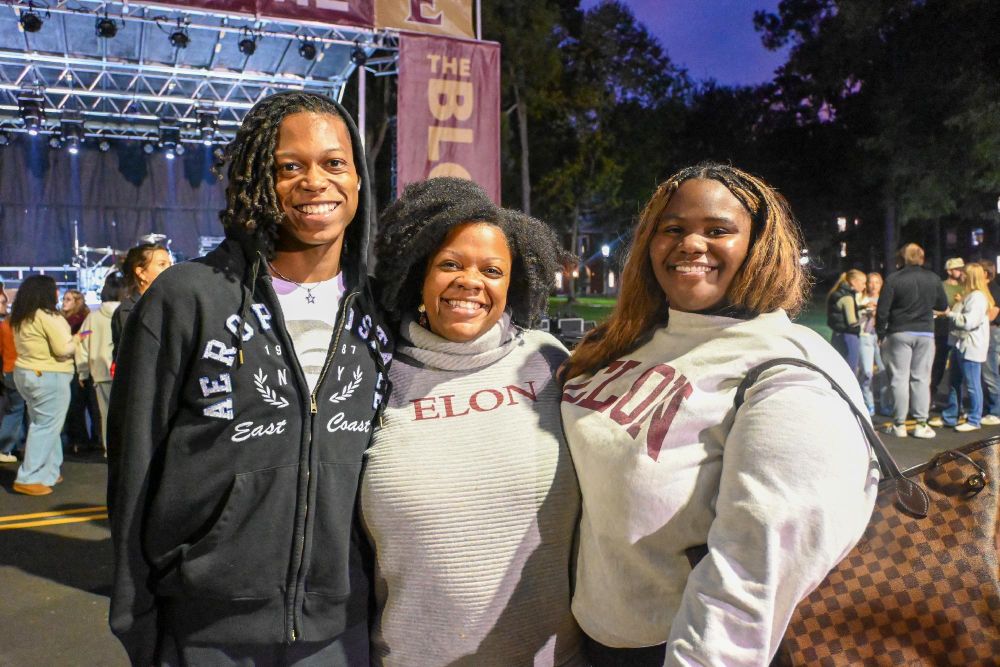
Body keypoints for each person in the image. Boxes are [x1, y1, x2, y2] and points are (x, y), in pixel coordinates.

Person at [107, 91, 391, 666]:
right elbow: (134, 471)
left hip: (341, 631)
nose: (316, 181)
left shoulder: (383, 310)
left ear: (358, 181)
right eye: (291, 166)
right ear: (259, 179)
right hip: (206, 628)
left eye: (334, 163)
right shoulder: (188, 296)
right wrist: (137, 622)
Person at [559, 163, 878, 665]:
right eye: (674, 229)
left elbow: (758, 564)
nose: (691, 244)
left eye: (717, 231)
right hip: (594, 637)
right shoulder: (630, 340)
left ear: (759, 247)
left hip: (680, 647)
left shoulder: (788, 363)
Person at [363, 177, 583, 666]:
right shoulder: (373, 375)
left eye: (492, 269)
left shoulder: (549, 362)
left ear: (514, 282)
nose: (470, 281)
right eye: (450, 264)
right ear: (419, 273)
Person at [9, 275, 76, 495]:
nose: (57, 293)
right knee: (46, 426)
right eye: (55, 289)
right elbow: (62, 349)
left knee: (45, 424)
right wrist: (78, 339)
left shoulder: (21, 316)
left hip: (26, 373)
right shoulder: (47, 316)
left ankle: (49, 471)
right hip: (49, 375)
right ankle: (29, 477)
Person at [876, 243, 949, 438]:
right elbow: (942, 304)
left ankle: (899, 424)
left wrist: (880, 333)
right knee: (921, 378)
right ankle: (921, 423)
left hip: (899, 332)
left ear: (902, 258)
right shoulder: (933, 278)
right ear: (922, 258)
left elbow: (882, 310)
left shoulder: (893, 279)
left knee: (899, 379)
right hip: (925, 332)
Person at [927, 263, 994, 432]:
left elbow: (969, 322)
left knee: (972, 383)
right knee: (954, 382)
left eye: (964, 274)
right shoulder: (969, 295)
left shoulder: (977, 297)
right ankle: (950, 416)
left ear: (970, 277)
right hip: (959, 344)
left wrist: (949, 314)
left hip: (970, 346)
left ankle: (974, 419)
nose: (961, 276)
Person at [75, 272, 124, 454]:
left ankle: (108, 449)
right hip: (126, 371)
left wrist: (83, 371)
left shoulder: (92, 318)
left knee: (106, 415)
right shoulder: (130, 312)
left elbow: (82, 345)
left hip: (100, 371)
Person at [111, 242, 172, 354]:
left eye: (170, 264)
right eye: (162, 264)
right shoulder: (129, 311)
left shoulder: (170, 304)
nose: (170, 269)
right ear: (141, 273)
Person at [61, 288, 98, 452]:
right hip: (70, 365)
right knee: (76, 405)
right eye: (64, 299)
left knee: (82, 404)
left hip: (80, 365)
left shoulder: (82, 320)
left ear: (77, 302)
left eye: (68, 299)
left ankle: (86, 440)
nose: (64, 302)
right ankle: (80, 439)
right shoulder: (62, 319)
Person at [930, 257, 966, 403]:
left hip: (959, 331)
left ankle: (958, 399)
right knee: (938, 364)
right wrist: (945, 312)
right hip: (942, 330)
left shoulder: (964, 287)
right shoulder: (941, 286)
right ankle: (931, 393)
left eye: (962, 269)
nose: (960, 271)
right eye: (957, 269)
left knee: (958, 366)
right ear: (949, 270)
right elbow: (932, 306)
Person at [0, 287, 26, 464]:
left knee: (15, 409)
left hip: (8, 370)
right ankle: (5, 447)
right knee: (17, 411)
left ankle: (12, 446)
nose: (5, 304)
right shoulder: (19, 326)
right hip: (19, 370)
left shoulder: (5, 325)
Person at [858, 272, 888, 416]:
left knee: (883, 371)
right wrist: (865, 310)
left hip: (881, 337)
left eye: (877, 282)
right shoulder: (861, 299)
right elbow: (856, 319)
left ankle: (885, 403)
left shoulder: (885, 300)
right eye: (871, 282)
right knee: (867, 373)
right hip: (866, 337)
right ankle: (869, 403)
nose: (873, 285)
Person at [826, 269, 866, 372]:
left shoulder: (838, 293)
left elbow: (841, 312)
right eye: (863, 283)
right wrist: (866, 317)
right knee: (850, 369)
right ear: (853, 282)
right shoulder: (848, 297)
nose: (864, 286)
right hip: (849, 337)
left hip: (837, 334)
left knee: (838, 367)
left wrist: (862, 307)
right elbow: (852, 323)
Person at [977, 260, 1000, 424]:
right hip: (984, 331)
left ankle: (995, 410)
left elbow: (992, 313)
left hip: (991, 332)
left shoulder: (993, 289)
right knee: (981, 373)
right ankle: (986, 407)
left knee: (990, 370)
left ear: (985, 273)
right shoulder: (982, 289)